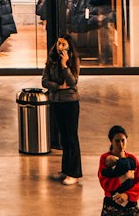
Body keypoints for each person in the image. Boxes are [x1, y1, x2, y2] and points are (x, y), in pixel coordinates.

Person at [42, 33, 82, 184]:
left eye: (63, 44)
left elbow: (72, 82)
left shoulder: (73, 61)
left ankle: (74, 173)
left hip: (70, 102)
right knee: (63, 138)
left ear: (69, 47)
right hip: (57, 102)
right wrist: (58, 87)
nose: (60, 47)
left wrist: (65, 65)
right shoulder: (51, 60)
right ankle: (65, 170)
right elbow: (44, 81)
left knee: (72, 137)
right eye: (59, 44)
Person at [98, 125, 139, 214]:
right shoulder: (105, 158)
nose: (121, 144)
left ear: (127, 140)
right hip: (111, 203)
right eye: (117, 141)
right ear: (111, 141)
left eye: (123, 140)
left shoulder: (132, 159)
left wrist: (127, 195)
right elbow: (104, 183)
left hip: (130, 203)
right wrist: (123, 177)